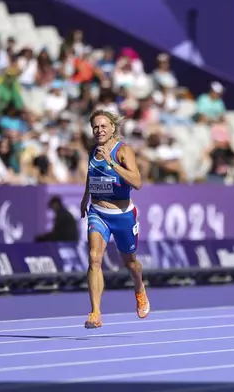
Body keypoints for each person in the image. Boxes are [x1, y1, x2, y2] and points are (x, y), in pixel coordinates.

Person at [80, 109, 150, 328]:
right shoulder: (94, 150)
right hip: (98, 212)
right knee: (94, 259)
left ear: (112, 128)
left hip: (122, 215)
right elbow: (92, 175)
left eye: (103, 126)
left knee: (130, 264)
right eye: (95, 127)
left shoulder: (123, 150)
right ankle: (96, 313)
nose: (99, 130)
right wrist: (85, 198)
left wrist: (111, 162)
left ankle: (139, 287)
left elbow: (137, 182)